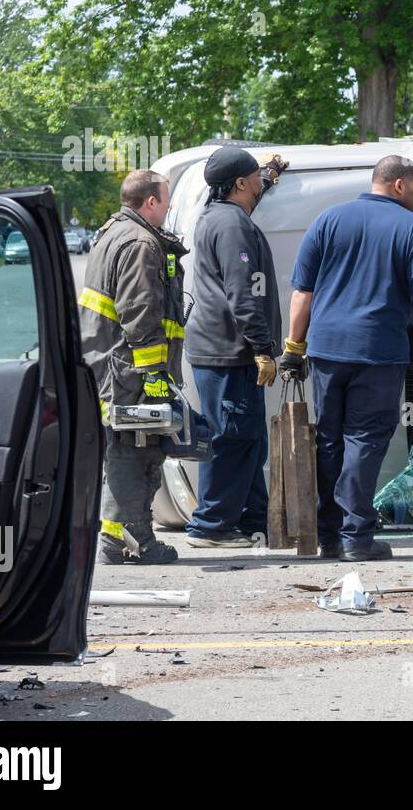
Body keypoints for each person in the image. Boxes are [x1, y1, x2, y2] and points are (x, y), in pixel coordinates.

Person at [280, 155, 413, 561]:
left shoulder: (328, 220)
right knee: (365, 439)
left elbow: (303, 292)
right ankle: (357, 536)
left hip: (325, 350)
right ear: (399, 185)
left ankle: (330, 535)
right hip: (378, 351)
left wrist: (293, 347)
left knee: (329, 439)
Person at [80, 169, 188, 564]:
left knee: (125, 448)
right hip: (128, 370)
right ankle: (138, 539)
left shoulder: (112, 233)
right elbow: (140, 313)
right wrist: (155, 374)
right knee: (134, 449)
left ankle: (114, 538)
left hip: (111, 366)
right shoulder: (141, 243)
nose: (170, 206)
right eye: (166, 198)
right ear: (150, 202)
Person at [183, 146, 286, 548]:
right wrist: (261, 346)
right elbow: (242, 293)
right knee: (233, 439)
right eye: (255, 178)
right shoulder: (231, 226)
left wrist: (271, 173)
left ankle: (252, 519)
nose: (261, 182)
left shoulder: (218, 215)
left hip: (221, 349)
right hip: (232, 351)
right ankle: (210, 527)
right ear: (241, 183)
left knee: (249, 440)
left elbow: (244, 207)